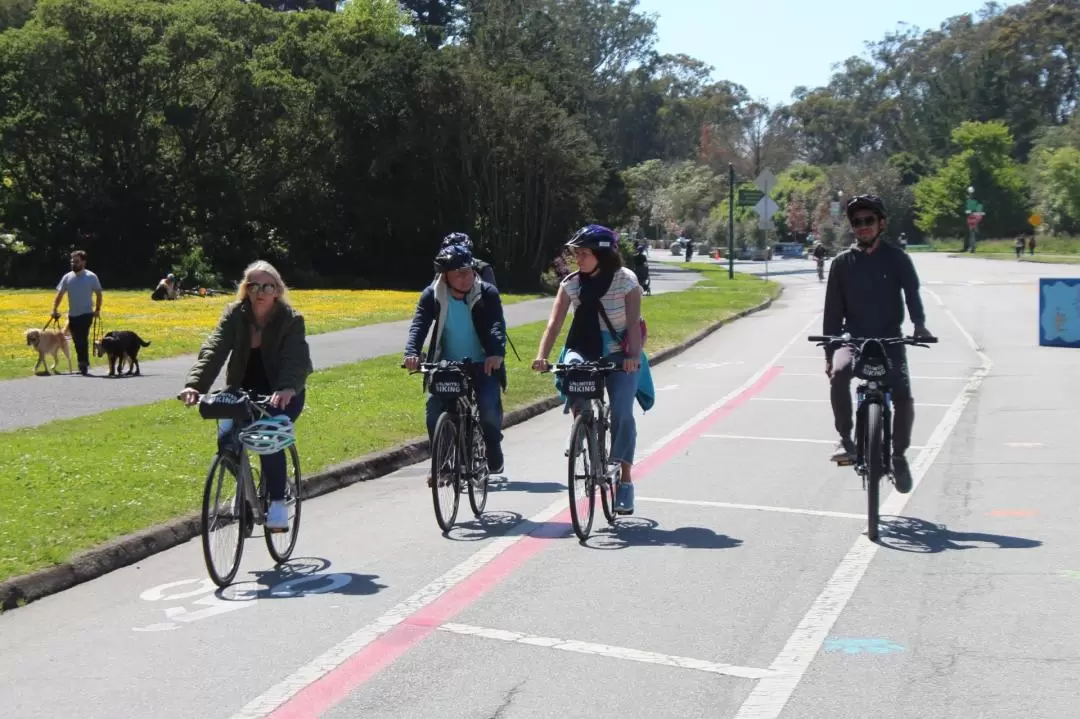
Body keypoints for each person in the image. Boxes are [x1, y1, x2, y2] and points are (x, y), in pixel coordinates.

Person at [178, 260, 312, 530]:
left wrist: (286, 388)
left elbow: (296, 358)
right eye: (253, 286)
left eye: (267, 286)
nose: (259, 292)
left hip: (282, 392)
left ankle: (276, 503)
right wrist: (195, 385)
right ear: (245, 289)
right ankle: (247, 498)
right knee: (227, 440)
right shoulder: (235, 315)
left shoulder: (291, 319)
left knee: (267, 435)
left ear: (277, 290)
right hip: (242, 390)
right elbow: (214, 347)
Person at [532, 224, 654, 515]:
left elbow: (635, 323)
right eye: (575, 253)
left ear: (602, 254)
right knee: (573, 369)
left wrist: (633, 357)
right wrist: (541, 356)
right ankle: (580, 423)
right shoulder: (571, 284)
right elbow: (555, 324)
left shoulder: (627, 281)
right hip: (583, 346)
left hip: (619, 352)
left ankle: (625, 484)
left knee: (623, 412)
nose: (578, 259)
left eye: (584, 254)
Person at [823, 195, 932, 494]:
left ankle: (898, 456)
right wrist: (830, 353)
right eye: (857, 222)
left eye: (868, 220)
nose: (862, 227)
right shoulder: (842, 263)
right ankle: (846, 439)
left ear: (881, 223)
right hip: (853, 338)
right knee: (840, 373)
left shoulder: (897, 258)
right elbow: (832, 311)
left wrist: (919, 325)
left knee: (903, 396)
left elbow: (912, 294)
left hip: (890, 339)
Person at [405, 244, 507, 479]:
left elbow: (496, 325)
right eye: (458, 274)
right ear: (445, 276)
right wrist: (412, 352)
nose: (466, 278)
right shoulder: (432, 295)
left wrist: (495, 352)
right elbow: (419, 325)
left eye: (469, 271)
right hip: (446, 364)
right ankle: (442, 460)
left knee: (489, 408)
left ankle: (492, 446)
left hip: (483, 363)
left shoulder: (487, 293)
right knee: (434, 412)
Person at [51, 250, 103, 376]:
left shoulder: (91, 277)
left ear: (83, 262)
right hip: (72, 315)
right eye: (72, 261)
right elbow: (60, 294)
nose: (73, 263)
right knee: (76, 340)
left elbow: (99, 294)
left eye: (76, 261)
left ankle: (83, 363)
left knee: (82, 338)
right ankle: (82, 363)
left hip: (86, 314)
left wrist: (97, 310)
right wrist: (54, 309)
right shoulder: (67, 277)